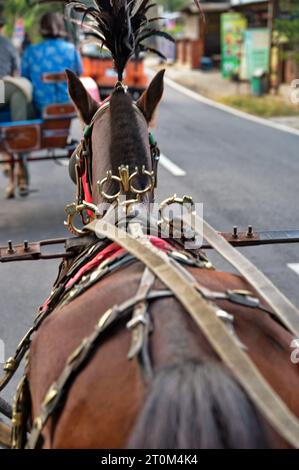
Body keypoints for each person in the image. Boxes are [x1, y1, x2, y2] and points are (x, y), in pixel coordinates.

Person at [21, 12, 83, 114]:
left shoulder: (31, 51)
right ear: (61, 27)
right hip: (69, 106)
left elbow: (24, 77)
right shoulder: (71, 50)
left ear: (41, 29)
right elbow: (79, 73)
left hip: (41, 107)